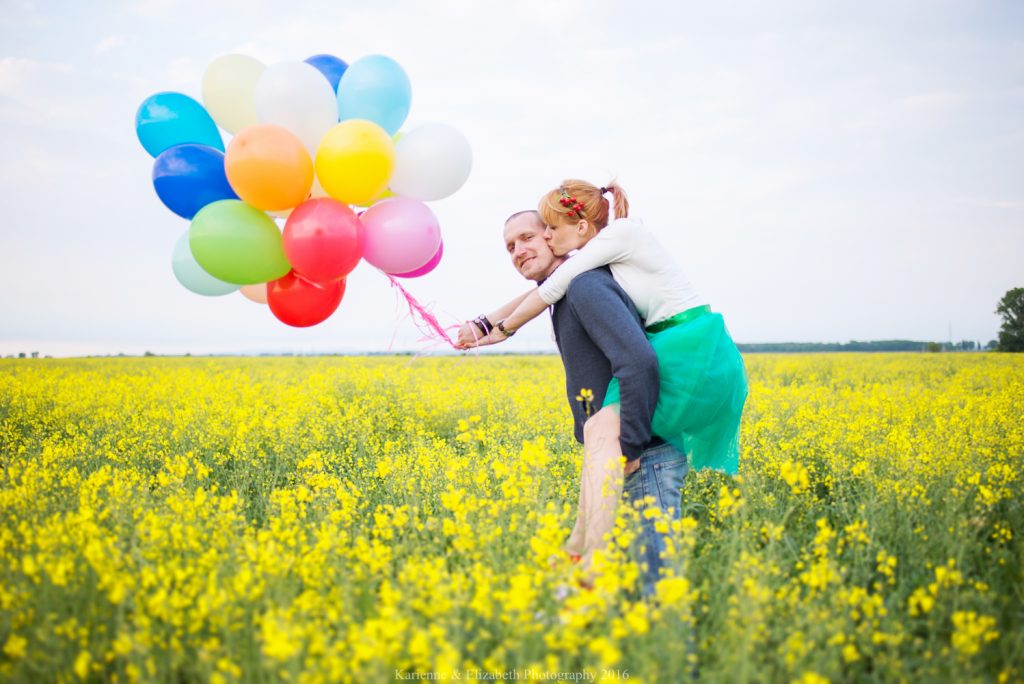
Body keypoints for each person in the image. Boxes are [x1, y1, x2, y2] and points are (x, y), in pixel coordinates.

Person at [462, 181, 748, 581]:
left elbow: (638, 362)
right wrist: (485, 323)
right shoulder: (583, 279)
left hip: (645, 447)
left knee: (656, 581)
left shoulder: (587, 282)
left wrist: (629, 445)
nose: (525, 247)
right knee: (640, 579)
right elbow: (550, 288)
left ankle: (584, 567)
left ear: (575, 229)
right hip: (629, 444)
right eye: (510, 246)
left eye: (535, 234)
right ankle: (579, 562)